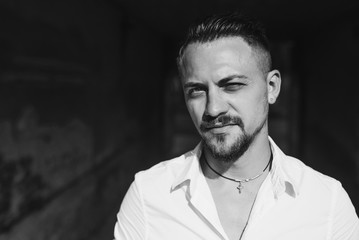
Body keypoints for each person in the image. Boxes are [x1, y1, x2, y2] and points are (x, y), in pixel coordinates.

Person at [114, 12, 359, 240]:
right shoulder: (149, 196)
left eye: (231, 85)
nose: (213, 109)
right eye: (197, 90)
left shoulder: (326, 203)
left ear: (271, 87)